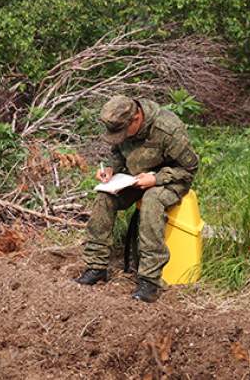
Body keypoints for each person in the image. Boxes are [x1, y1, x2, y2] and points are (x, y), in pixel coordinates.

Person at [74, 95, 199, 302]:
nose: (121, 137)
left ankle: (150, 280)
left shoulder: (167, 128)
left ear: (136, 118)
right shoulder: (125, 127)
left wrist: (156, 178)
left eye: (123, 132)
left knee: (152, 200)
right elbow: (118, 152)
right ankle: (96, 267)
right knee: (104, 195)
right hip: (134, 178)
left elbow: (189, 168)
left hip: (170, 180)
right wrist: (111, 169)